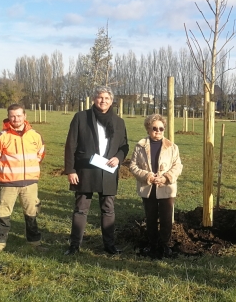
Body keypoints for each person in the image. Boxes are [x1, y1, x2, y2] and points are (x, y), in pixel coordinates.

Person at [64, 86, 129, 255]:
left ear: (111, 101)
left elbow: (124, 146)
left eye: (107, 98)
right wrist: (70, 170)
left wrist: (119, 158)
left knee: (108, 209)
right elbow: (71, 145)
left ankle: (109, 245)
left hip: (108, 171)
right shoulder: (81, 117)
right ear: (94, 99)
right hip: (85, 171)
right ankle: (74, 245)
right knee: (81, 209)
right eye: (100, 97)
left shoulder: (119, 122)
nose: (103, 101)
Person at [0, 104, 45, 256]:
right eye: (13, 116)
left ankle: (35, 243)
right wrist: (7, 171)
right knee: (3, 214)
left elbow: (40, 154)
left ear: (25, 116)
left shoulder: (35, 135)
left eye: (19, 115)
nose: (16, 119)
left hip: (30, 183)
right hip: (8, 183)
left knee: (32, 213)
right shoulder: (0, 136)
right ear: (8, 117)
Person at [130, 114, 183, 258]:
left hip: (166, 188)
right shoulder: (140, 146)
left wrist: (166, 178)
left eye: (161, 128)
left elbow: (178, 166)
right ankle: (152, 244)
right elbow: (133, 166)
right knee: (151, 218)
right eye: (154, 128)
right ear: (148, 129)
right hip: (148, 189)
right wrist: (147, 176)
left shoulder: (172, 147)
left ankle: (165, 245)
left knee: (166, 219)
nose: (158, 131)